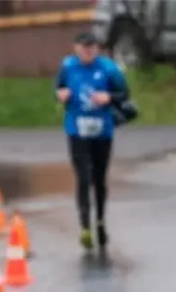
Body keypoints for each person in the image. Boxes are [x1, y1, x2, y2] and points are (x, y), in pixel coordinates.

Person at [54, 32, 130, 251]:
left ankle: (100, 221)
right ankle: (85, 226)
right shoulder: (68, 67)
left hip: (102, 131)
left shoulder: (108, 68)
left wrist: (109, 98)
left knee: (99, 177)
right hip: (76, 130)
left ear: (97, 49)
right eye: (83, 47)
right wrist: (61, 95)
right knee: (83, 176)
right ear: (75, 48)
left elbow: (124, 93)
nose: (88, 51)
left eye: (92, 47)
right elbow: (58, 88)